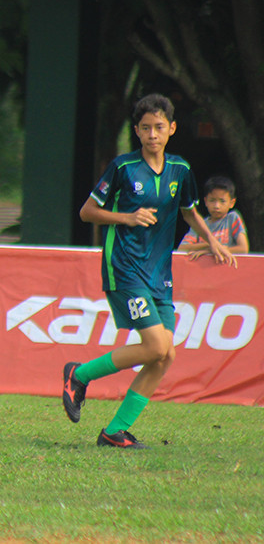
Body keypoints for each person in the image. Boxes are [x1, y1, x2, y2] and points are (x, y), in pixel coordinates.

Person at [65, 94, 237, 450]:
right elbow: (86, 212)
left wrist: (213, 241)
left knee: (165, 354)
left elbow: (189, 212)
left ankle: (116, 430)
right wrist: (125, 217)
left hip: (159, 273)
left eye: (159, 127)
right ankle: (78, 375)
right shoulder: (123, 168)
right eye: (146, 128)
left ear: (171, 129)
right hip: (125, 268)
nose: (152, 134)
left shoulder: (180, 171)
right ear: (137, 131)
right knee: (156, 345)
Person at [176, 175, 249, 258]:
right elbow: (181, 249)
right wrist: (210, 245)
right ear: (206, 201)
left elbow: (243, 249)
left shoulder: (232, 218)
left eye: (222, 201)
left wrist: (211, 250)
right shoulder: (200, 224)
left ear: (232, 203)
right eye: (212, 200)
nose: (216, 206)